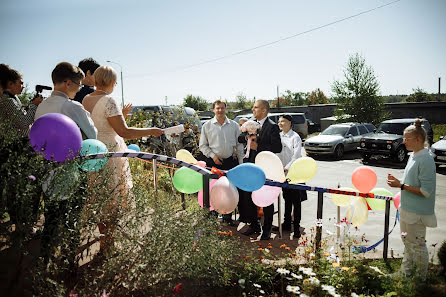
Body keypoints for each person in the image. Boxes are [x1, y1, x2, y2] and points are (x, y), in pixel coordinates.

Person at [82, 65, 164, 251]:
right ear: (111, 82)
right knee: (112, 199)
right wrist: (151, 130)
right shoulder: (109, 100)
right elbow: (124, 132)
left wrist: (122, 116)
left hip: (93, 151)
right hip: (110, 152)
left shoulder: (86, 99)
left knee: (99, 196)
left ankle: (105, 240)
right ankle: (107, 245)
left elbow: (99, 121)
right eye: (115, 81)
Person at [387, 119, 437, 281]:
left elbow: (426, 191)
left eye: (407, 139)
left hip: (417, 213)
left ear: (418, 139)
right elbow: (412, 181)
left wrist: (400, 185)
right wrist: (400, 182)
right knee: (407, 243)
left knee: (418, 245)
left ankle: (419, 279)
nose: (403, 142)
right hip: (407, 210)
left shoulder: (426, 160)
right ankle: (406, 272)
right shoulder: (414, 156)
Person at [238, 100, 282, 240]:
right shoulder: (250, 123)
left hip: (266, 168)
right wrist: (248, 137)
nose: (253, 109)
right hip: (251, 165)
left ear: (264, 110)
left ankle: (267, 229)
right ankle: (254, 225)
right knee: (250, 196)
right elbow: (240, 138)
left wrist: (259, 147)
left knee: (266, 198)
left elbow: (277, 147)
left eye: (256, 107)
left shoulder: (272, 127)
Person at [199, 100, 244, 225]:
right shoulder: (207, 126)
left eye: (222, 108)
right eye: (217, 108)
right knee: (212, 189)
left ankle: (227, 217)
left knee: (229, 189)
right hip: (213, 162)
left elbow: (239, 146)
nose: (220, 110)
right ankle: (212, 217)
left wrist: (241, 164)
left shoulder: (234, 125)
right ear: (213, 110)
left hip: (230, 162)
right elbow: (202, 146)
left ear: (226, 109)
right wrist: (213, 156)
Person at [35, 62, 97, 139]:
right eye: (79, 85)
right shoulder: (73, 106)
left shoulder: (41, 105)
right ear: (68, 83)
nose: (78, 90)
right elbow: (93, 135)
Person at [276, 115, 307, 239]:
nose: (280, 123)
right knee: (286, 199)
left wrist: (287, 167)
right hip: (282, 174)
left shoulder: (295, 137)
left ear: (289, 123)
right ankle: (287, 223)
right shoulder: (278, 136)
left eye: (283, 121)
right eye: (279, 122)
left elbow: (296, 155)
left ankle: (296, 227)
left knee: (296, 201)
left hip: (294, 173)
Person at [0, 65, 43, 137]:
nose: (23, 86)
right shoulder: (8, 100)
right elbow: (23, 123)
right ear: (10, 84)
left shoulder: (13, 98)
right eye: (21, 83)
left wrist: (30, 105)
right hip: (14, 145)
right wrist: (34, 105)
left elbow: (20, 117)